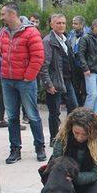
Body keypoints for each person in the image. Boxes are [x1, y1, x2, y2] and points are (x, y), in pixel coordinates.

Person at [0, 2, 46, 164]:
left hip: (25, 82)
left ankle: (40, 147)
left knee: (32, 115)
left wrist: (28, 77)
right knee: (12, 117)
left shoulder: (31, 32)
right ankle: (15, 150)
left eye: (3, 14)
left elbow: (38, 57)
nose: (1, 17)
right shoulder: (3, 33)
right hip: (7, 81)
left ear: (12, 15)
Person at [39, 14, 78, 145]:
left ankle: (69, 135)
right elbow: (44, 65)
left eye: (63, 23)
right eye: (58, 23)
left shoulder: (65, 39)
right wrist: (48, 84)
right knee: (54, 112)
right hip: (55, 81)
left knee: (74, 109)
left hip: (67, 80)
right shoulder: (48, 41)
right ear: (52, 24)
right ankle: (54, 139)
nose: (61, 25)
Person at [68, 16, 91, 106]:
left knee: (85, 89)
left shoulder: (89, 34)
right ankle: (77, 107)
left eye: (76, 23)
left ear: (82, 24)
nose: (73, 25)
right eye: (73, 23)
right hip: (74, 64)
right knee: (75, 88)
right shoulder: (72, 33)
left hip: (85, 65)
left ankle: (85, 108)